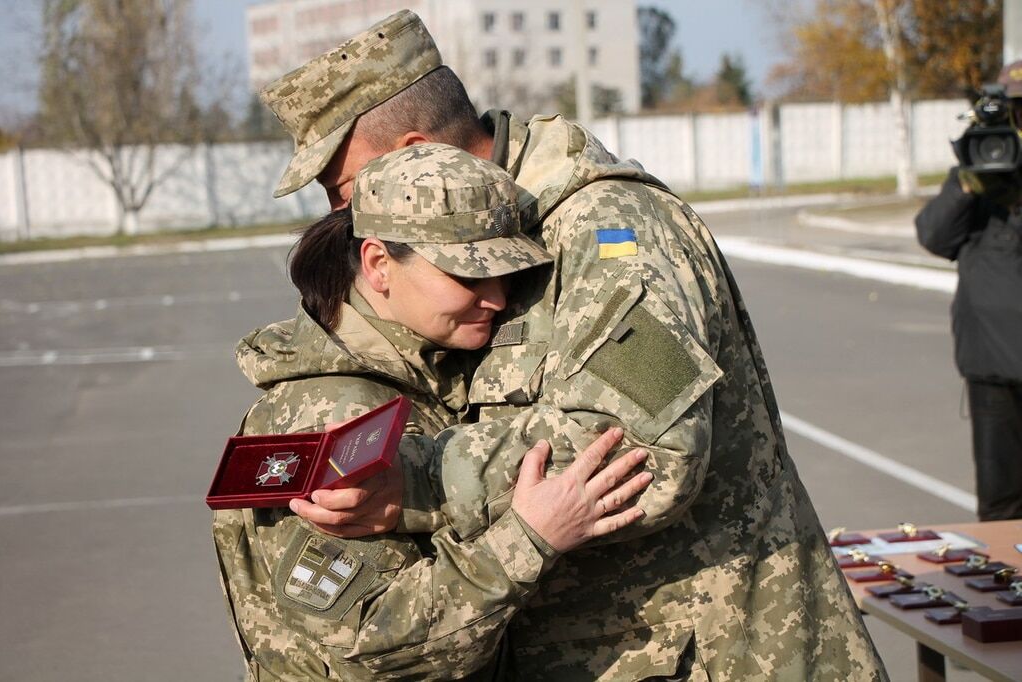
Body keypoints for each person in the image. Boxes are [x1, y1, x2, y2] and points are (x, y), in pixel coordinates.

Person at [260, 10, 887, 680]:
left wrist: (417, 479)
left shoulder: (608, 231)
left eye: (347, 193)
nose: (342, 223)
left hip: (719, 653)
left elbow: (643, 450)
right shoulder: (484, 238)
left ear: (416, 157)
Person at [213, 143, 652, 680]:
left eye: (507, 275)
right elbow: (371, 647)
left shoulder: (426, 366)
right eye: (468, 277)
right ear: (378, 264)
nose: (495, 298)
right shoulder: (332, 414)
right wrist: (528, 540)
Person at [914, 61, 1022, 522]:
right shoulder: (979, 164)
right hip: (992, 369)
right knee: (1001, 504)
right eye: (1016, 107)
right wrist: (967, 182)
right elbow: (935, 237)